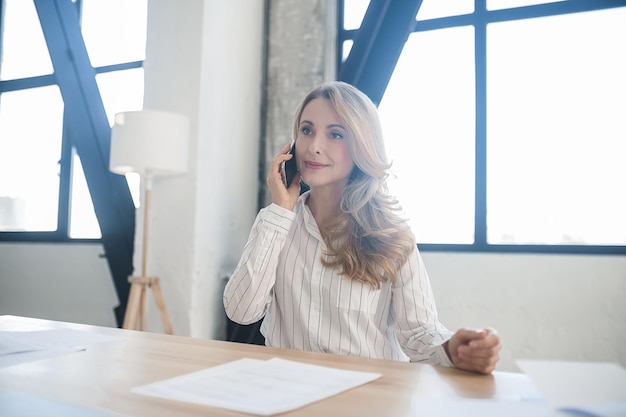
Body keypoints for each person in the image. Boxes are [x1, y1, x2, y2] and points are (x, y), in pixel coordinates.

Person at [223, 81, 501, 374]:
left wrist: (453, 349)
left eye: (335, 134)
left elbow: (419, 334)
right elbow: (241, 312)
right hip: (288, 390)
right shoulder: (276, 224)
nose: (314, 147)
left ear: (361, 145)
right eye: (307, 130)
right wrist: (280, 210)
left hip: (368, 398)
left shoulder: (392, 236)